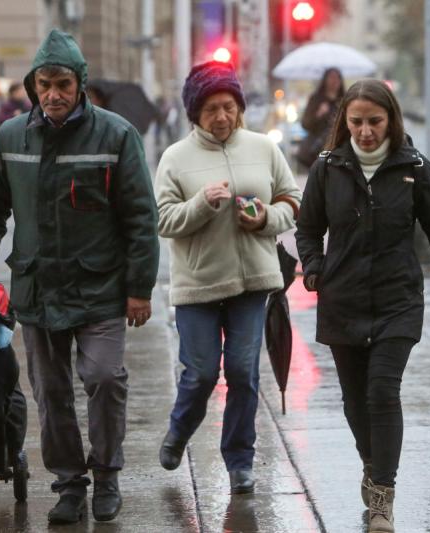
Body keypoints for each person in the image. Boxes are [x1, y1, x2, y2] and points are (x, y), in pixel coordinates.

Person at [0, 29, 159, 524]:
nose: (53, 94)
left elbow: (140, 217)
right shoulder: (10, 137)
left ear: (80, 85)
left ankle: (107, 475)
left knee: (104, 377)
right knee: (50, 393)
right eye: (44, 84)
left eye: (62, 84)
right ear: (33, 86)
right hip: (38, 288)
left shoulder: (116, 136)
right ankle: (70, 483)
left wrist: (139, 289)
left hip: (101, 288)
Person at [294, 79, 430, 533]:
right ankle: (371, 460)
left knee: (382, 391)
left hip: (397, 298)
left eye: (374, 122)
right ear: (345, 121)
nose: (365, 131)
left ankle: (383, 494)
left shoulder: (413, 167)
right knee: (354, 402)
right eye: (356, 122)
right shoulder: (327, 167)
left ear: (391, 122)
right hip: (342, 298)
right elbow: (307, 228)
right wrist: (315, 265)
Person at [154, 61, 302, 494]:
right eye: (211, 109)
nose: (222, 117)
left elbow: (292, 200)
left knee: (242, 371)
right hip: (199, 284)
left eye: (229, 107)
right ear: (195, 115)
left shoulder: (263, 148)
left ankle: (240, 460)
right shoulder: (175, 158)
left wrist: (264, 219)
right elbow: (164, 220)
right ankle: (180, 430)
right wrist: (201, 203)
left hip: (254, 281)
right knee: (200, 373)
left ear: (239, 107)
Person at [296, 67, 345, 169]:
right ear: (325, 80)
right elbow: (305, 124)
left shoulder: (345, 99)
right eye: (331, 78)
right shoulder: (316, 99)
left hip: (339, 146)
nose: (334, 81)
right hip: (317, 148)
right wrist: (319, 114)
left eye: (337, 78)